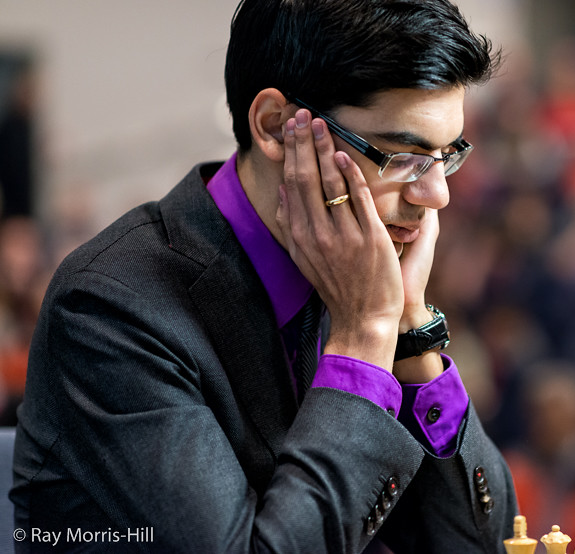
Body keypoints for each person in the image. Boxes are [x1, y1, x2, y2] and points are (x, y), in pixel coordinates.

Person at [10, 0, 517, 552]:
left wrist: (410, 326)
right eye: (402, 157)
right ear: (277, 126)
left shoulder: (366, 276)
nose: (437, 194)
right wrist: (365, 336)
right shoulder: (109, 308)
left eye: (448, 155)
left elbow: (479, 543)